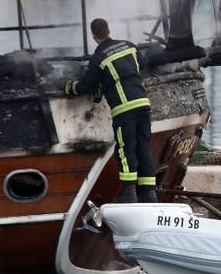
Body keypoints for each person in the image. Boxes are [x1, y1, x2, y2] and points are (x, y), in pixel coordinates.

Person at [64, 18, 157, 204]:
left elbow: (87, 85)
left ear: (94, 36)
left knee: (125, 148)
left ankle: (129, 193)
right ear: (108, 29)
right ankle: (149, 193)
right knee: (143, 146)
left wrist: (70, 87)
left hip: (125, 109)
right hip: (143, 103)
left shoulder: (99, 57)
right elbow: (140, 68)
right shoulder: (129, 46)